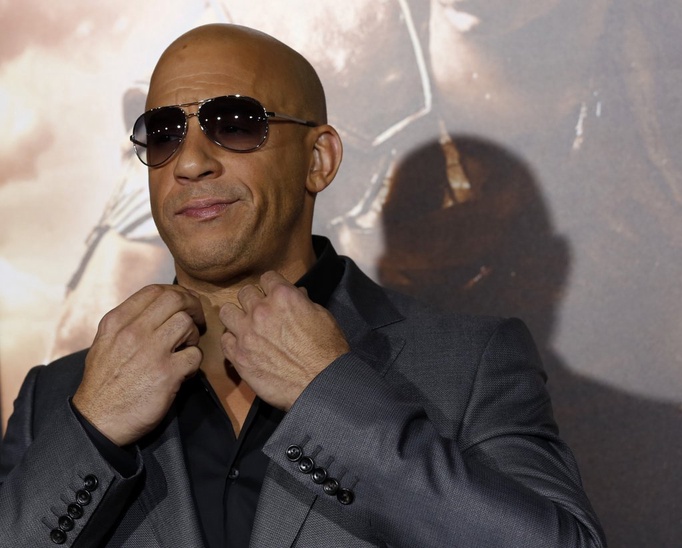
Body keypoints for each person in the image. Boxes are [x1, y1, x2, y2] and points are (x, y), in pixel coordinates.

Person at [0, 23, 604, 547]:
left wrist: (330, 399)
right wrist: (94, 432)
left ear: (319, 159)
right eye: (163, 133)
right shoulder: (57, 398)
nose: (189, 162)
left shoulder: (469, 361)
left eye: (233, 124)